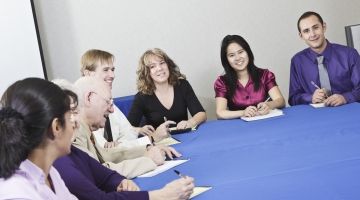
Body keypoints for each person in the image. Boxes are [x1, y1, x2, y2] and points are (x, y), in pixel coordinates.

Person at [71, 76, 180, 179]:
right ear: (89, 98)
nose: (112, 110)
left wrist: (146, 150)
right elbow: (98, 173)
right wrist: (148, 160)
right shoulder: (73, 131)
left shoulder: (84, 127)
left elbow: (106, 155)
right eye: (107, 101)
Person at [0, 78, 78, 199]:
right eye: (69, 118)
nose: (74, 125)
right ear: (56, 127)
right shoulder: (16, 193)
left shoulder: (50, 173)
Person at [80, 49, 169, 147]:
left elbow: (128, 133)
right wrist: (151, 138)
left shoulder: (109, 102)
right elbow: (105, 152)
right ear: (88, 74)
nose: (112, 75)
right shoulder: (84, 108)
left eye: (112, 70)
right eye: (105, 70)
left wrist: (120, 145)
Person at [54, 145, 195, 200]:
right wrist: (163, 195)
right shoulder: (61, 164)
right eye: (69, 115)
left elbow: (105, 175)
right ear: (56, 126)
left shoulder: (70, 150)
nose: (75, 122)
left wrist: (121, 182)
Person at [288, 11, 360, 106]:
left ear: (324, 27)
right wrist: (310, 97)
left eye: (315, 27)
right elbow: (293, 98)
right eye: (306, 31)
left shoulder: (350, 54)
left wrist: (345, 98)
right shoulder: (297, 61)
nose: (312, 34)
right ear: (301, 36)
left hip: (348, 110)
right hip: (316, 116)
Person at [128, 48, 207, 131]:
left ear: (168, 65)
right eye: (152, 66)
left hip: (185, 137)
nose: (159, 68)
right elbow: (128, 128)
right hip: (159, 142)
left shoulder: (182, 85)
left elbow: (201, 113)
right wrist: (140, 130)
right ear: (147, 73)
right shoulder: (142, 97)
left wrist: (191, 122)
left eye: (162, 63)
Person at [214, 35, 285, 119]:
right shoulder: (222, 82)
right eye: (232, 55)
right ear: (226, 59)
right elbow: (220, 113)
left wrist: (268, 105)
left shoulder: (265, 75)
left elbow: (280, 101)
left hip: (266, 123)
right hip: (239, 127)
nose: (238, 58)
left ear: (248, 52)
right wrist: (243, 112)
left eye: (240, 52)